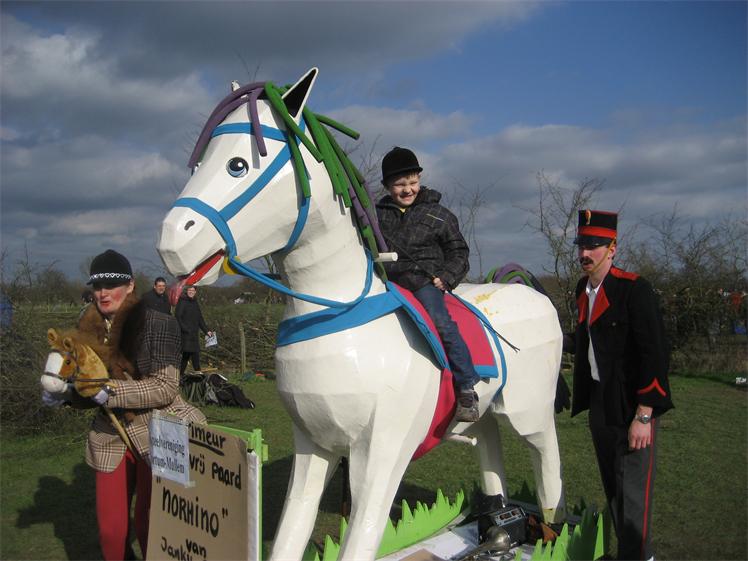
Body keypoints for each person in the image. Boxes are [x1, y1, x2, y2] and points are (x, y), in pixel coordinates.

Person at [41, 249, 206, 561]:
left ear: (130, 285)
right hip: (110, 435)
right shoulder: (85, 330)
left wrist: (108, 391)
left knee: (149, 525)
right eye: (97, 286)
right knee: (111, 531)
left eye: (111, 285)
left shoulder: (159, 324)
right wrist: (66, 394)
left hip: (159, 431)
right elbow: (89, 390)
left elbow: (165, 387)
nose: (103, 293)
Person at [567, 210, 673, 560]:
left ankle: (639, 555)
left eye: (594, 246)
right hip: (600, 401)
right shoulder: (582, 289)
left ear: (612, 248)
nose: (585, 253)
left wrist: (644, 414)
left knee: (633, 494)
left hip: (632, 405)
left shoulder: (634, 289)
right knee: (613, 486)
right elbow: (586, 342)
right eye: (581, 245)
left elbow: (655, 353)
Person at [375, 146, 480, 422]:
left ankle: (466, 387)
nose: (407, 190)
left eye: (412, 182)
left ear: (419, 180)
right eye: (399, 184)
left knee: (441, 322)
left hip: (423, 283)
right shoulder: (376, 216)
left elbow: (459, 252)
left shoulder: (439, 215)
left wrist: (446, 277)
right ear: (386, 186)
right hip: (386, 283)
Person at [175, 285, 213, 376]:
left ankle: (182, 375)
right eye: (189, 290)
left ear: (195, 292)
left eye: (193, 290)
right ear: (186, 291)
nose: (191, 292)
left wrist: (206, 331)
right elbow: (178, 317)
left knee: (189, 354)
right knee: (190, 353)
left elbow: (200, 318)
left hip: (194, 333)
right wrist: (185, 329)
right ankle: (196, 373)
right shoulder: (182, 301)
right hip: (185, 334)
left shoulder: (195, 302)